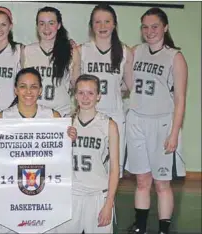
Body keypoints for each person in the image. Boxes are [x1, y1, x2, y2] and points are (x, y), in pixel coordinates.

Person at [0, 67, 77, 233]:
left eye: (33, 86)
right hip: (12, 192)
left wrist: (69, 139)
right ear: (15, 89)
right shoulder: (2, 118)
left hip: (45, 192)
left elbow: (61, 158)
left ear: (40, 90)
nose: (28, 91)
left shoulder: (53, 117)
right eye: (23, 86)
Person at [125, 8, 187, 234]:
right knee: (142, 180)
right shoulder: (135, 51)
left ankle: (163, 228)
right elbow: (126, 85)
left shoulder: (175, 57)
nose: (149, 31)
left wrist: (174, 133)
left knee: (162, 183)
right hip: (136, 120)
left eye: (155, 26)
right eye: (145, 27)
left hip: (162, 123)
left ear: (165, 27)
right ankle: (140, 225)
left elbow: (180, 99)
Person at [49, 74, 120, 233]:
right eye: (81, 92)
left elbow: (115, 169)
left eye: (90, 93)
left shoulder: (109, 125)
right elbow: (53, 160)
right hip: (70, 195)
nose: (85, 97)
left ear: (99, 96)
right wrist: (65, 141)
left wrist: (109, 203)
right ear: (75, 95)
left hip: (98, 196)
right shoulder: (65, 123)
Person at [78, 4, 133, 178]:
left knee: (113, 170)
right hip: (88, 116)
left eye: (107, 22)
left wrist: (114, 92)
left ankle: (109, 205)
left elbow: (129, 86)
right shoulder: (81, 51)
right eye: (98, 22)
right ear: (91, 25)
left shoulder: (125, 52)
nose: (102, 26)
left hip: (114, 117)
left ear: (114, 24)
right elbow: (75, 84)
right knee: (88, 169)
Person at [21, 6, 81, 117]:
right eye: (42, 23)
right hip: (33, 114)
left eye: (51, 23)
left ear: (59, 25)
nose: (46, 28)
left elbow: (76, 86)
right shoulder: (27, 51)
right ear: (37, 26)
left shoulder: (72, 52)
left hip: (61, 114)